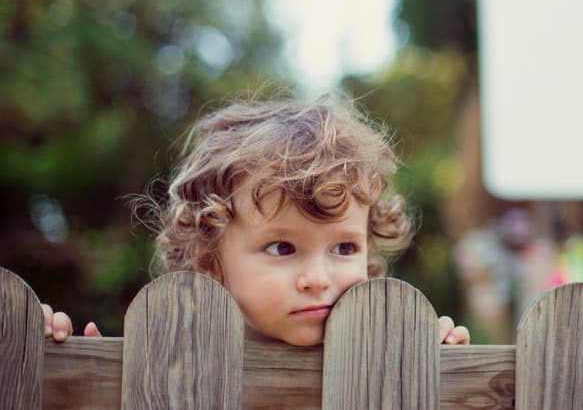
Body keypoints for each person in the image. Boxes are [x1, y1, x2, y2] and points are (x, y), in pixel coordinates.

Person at [41, 94, 469, 347]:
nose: (317, 279)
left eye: (344, 247)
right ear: (209, 259)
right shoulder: (170, 365)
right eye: (282, 247)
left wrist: (441, 388)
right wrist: (75, 399)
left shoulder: (385, 361)